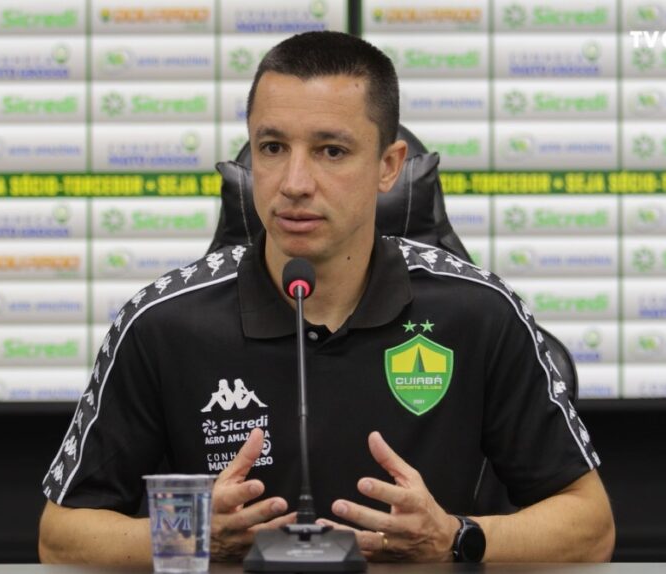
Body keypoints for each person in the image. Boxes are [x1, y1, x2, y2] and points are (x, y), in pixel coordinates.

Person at [38, 31, 614, 564]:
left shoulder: (478, 311)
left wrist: (456, 535)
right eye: (270, 147)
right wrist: (191, 531)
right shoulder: (163, 322)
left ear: (389, 167)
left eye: (330, 151)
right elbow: (60, 536)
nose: (293, 182)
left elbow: (591, 524)